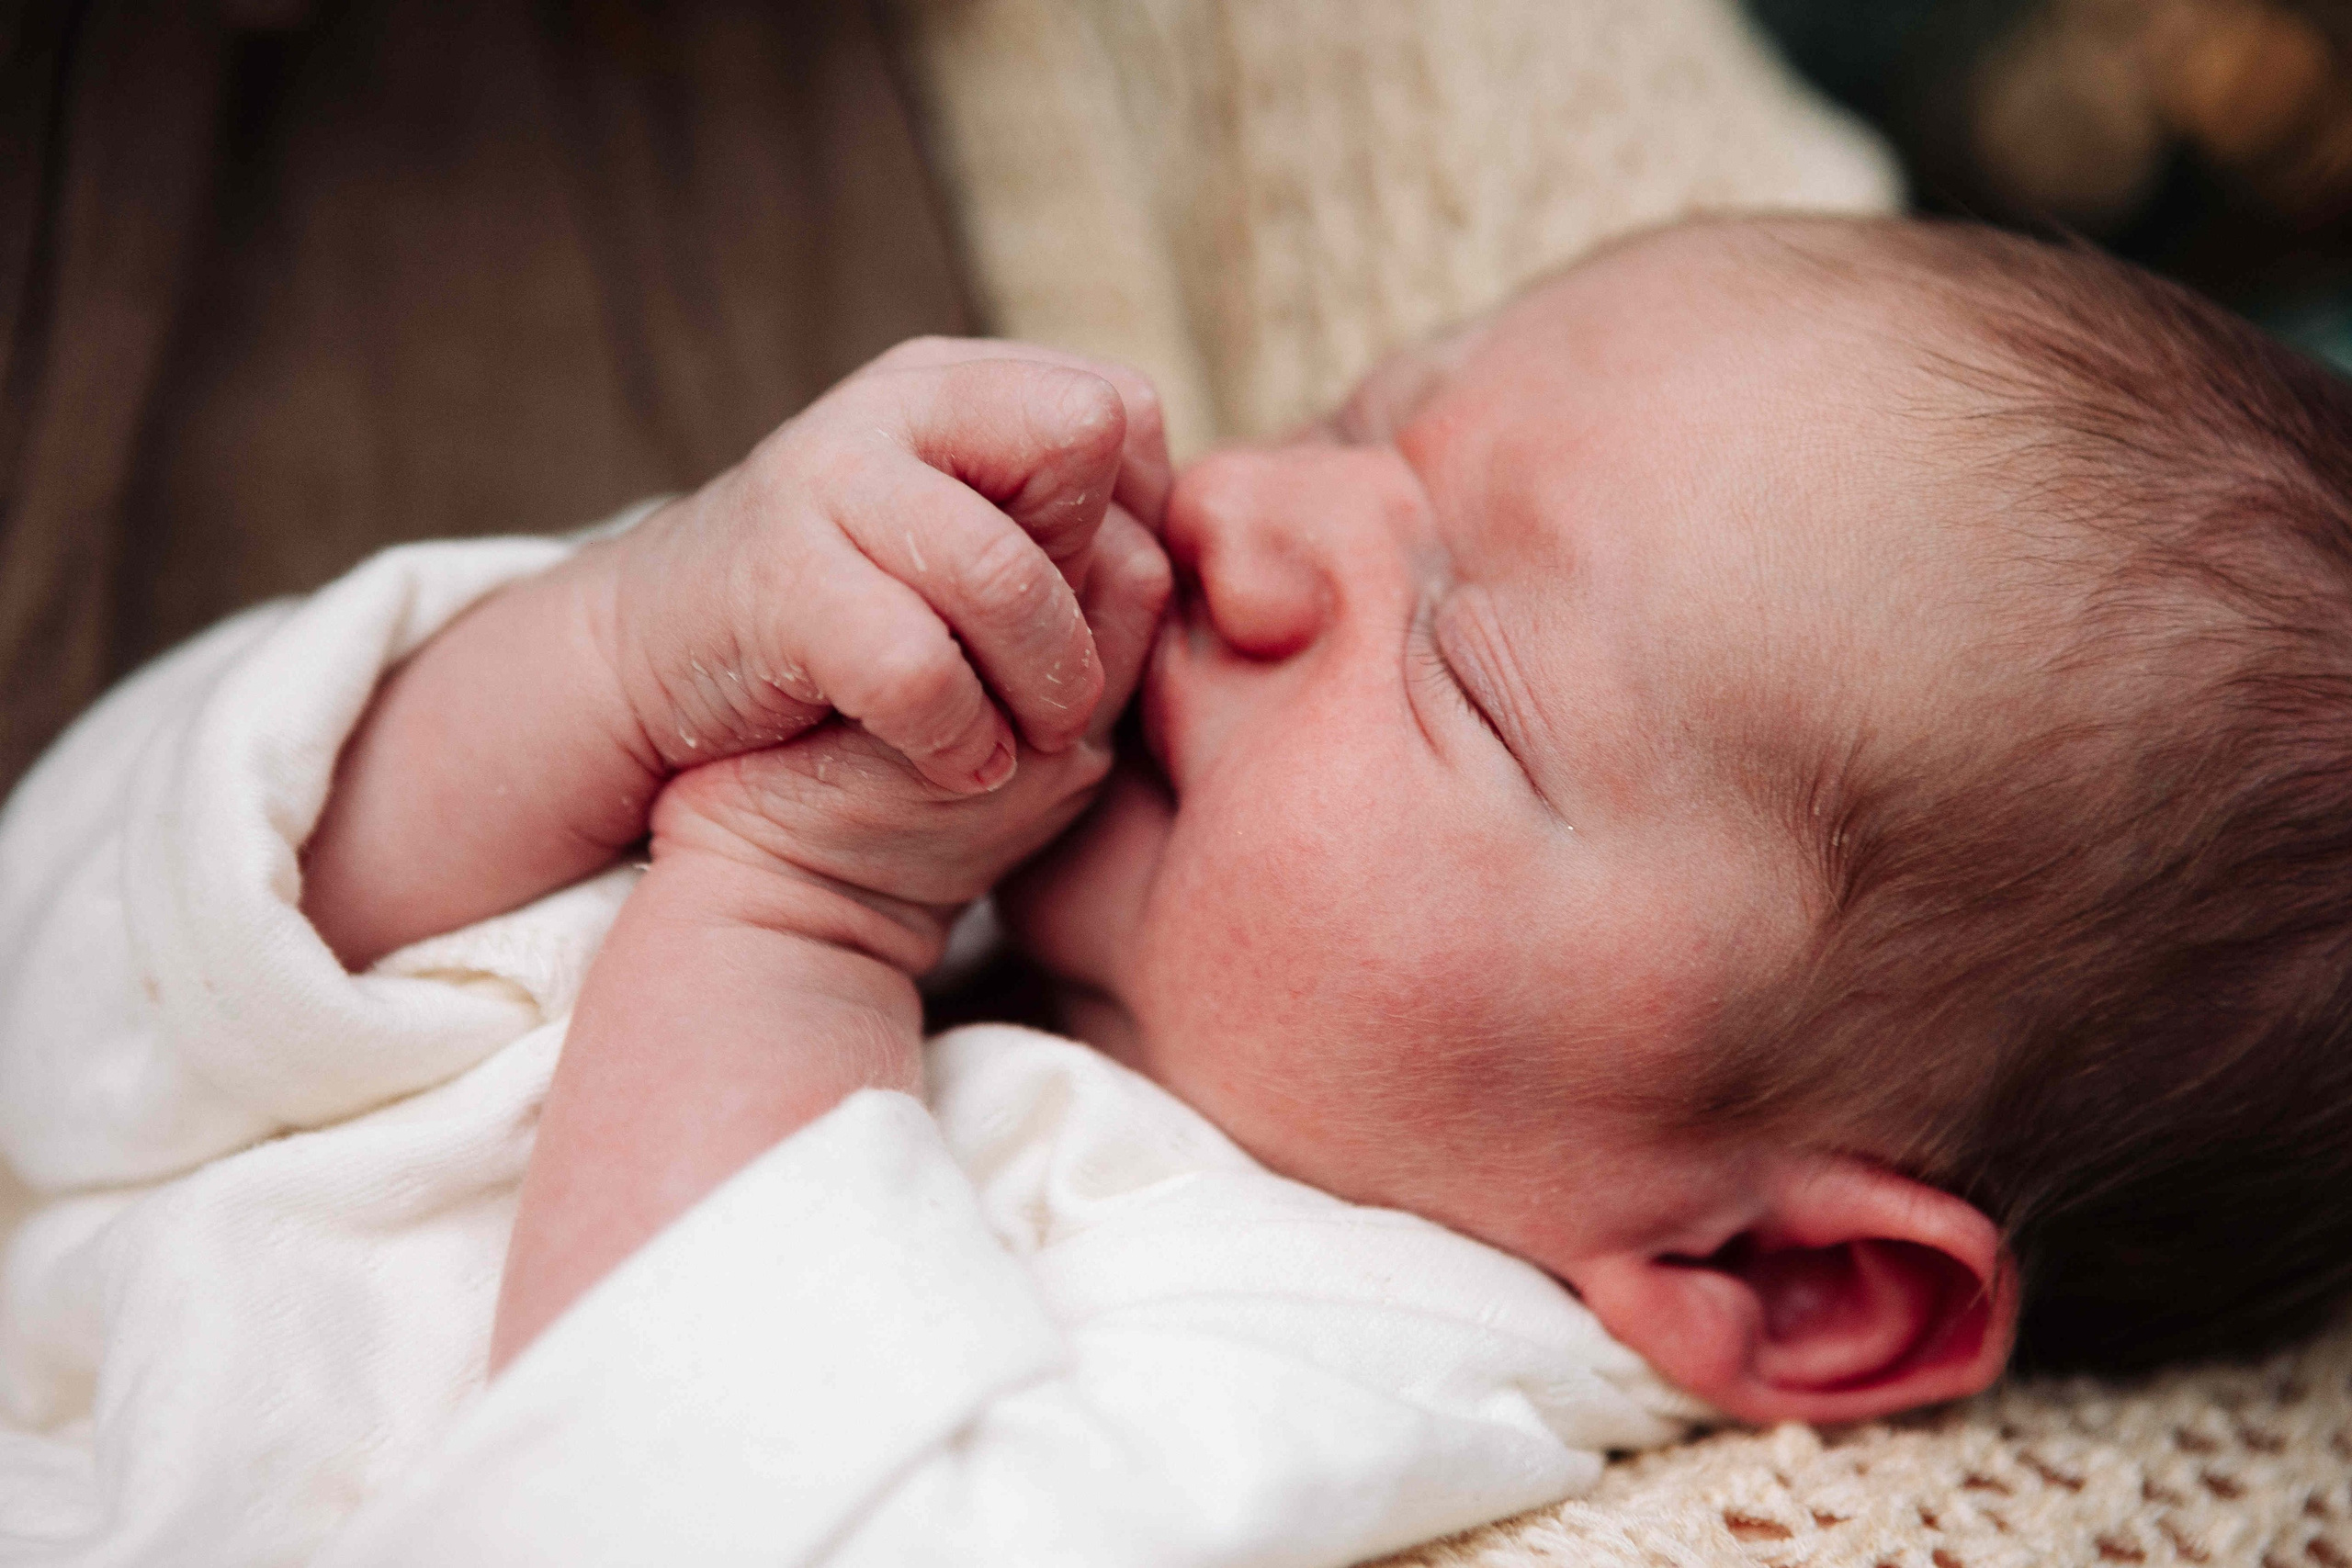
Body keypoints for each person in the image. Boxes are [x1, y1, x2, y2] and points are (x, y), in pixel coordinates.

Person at [6, 214, 2350, 1565]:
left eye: (1466, 666)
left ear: (1791, 1278)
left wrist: (785, 931)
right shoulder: (941, 821)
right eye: (1355, 421)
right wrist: (613, 651)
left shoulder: (1335, 1366)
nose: (1244, 512)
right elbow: (88, 979)